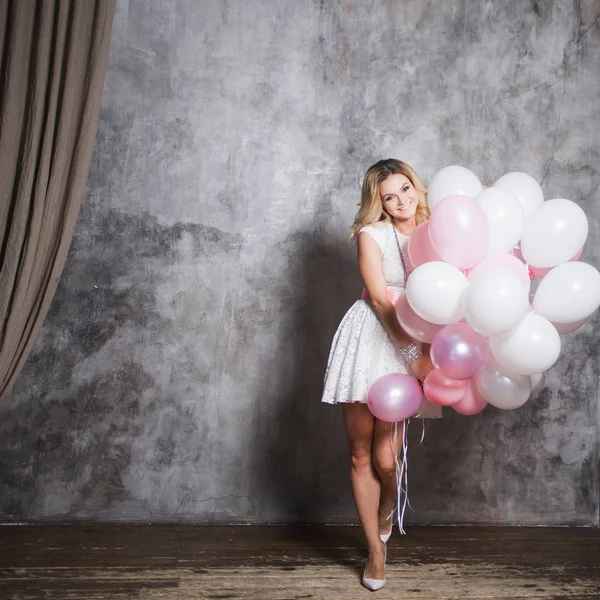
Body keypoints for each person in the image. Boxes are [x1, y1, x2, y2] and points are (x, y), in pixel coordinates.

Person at [321, 158, 442, 591]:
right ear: (380, 203)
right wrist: (410, 354)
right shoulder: (371, 235)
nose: (401, 201)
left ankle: (387, 509)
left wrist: (425, 352)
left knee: (387, 459)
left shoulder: (439, 231)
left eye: (405, 189)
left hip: (413, 340)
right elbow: (379, 299)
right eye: (390, 196)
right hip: (372, 338)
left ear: (417, 185)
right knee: (359, 454)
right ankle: (375, 549)